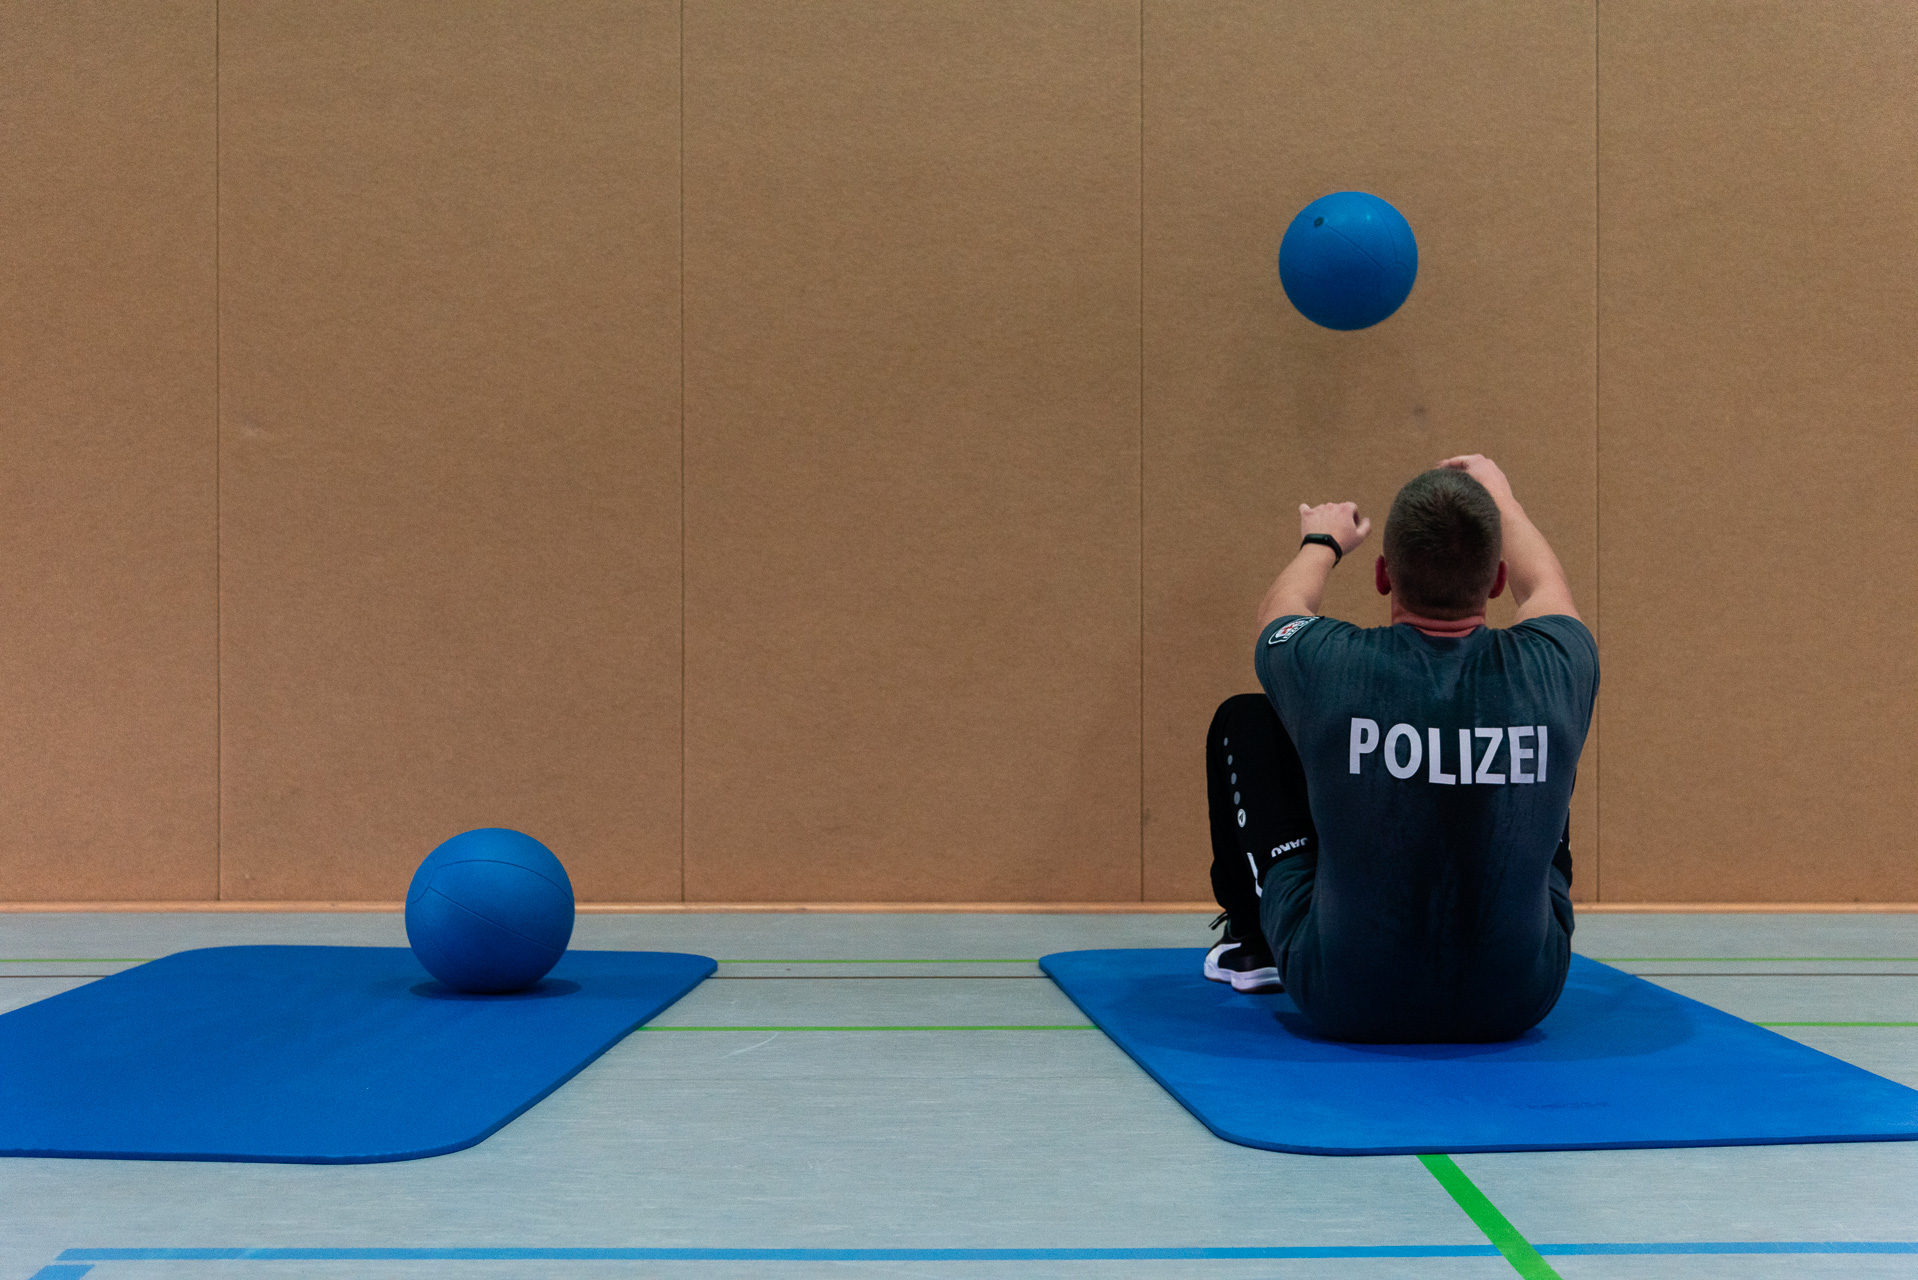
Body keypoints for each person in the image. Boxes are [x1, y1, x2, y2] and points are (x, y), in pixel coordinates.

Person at [1202, 455, 1597, 1043]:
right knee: (1549, 732)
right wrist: (1503, 500)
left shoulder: (1330, 664)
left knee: (1248, 719)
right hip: (1521, 998)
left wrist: (1321, 542)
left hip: (1344, 997)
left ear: (1383, 575)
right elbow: (1546, 587)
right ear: (1495, 580)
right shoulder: (1559, 663)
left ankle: (1254, 941)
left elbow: (1278, 614)